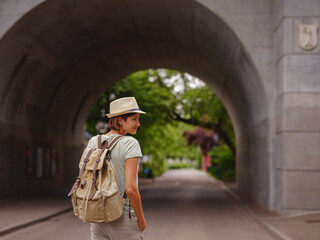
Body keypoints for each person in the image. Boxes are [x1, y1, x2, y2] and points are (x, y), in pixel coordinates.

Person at [88, 97, 146, 240]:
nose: (138, 124)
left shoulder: (93, 141)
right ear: (120, 120)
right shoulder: (130, 143)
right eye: (134, 119)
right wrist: (141, 218)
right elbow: (131, 189)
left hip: (98, 217)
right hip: (124, 217)